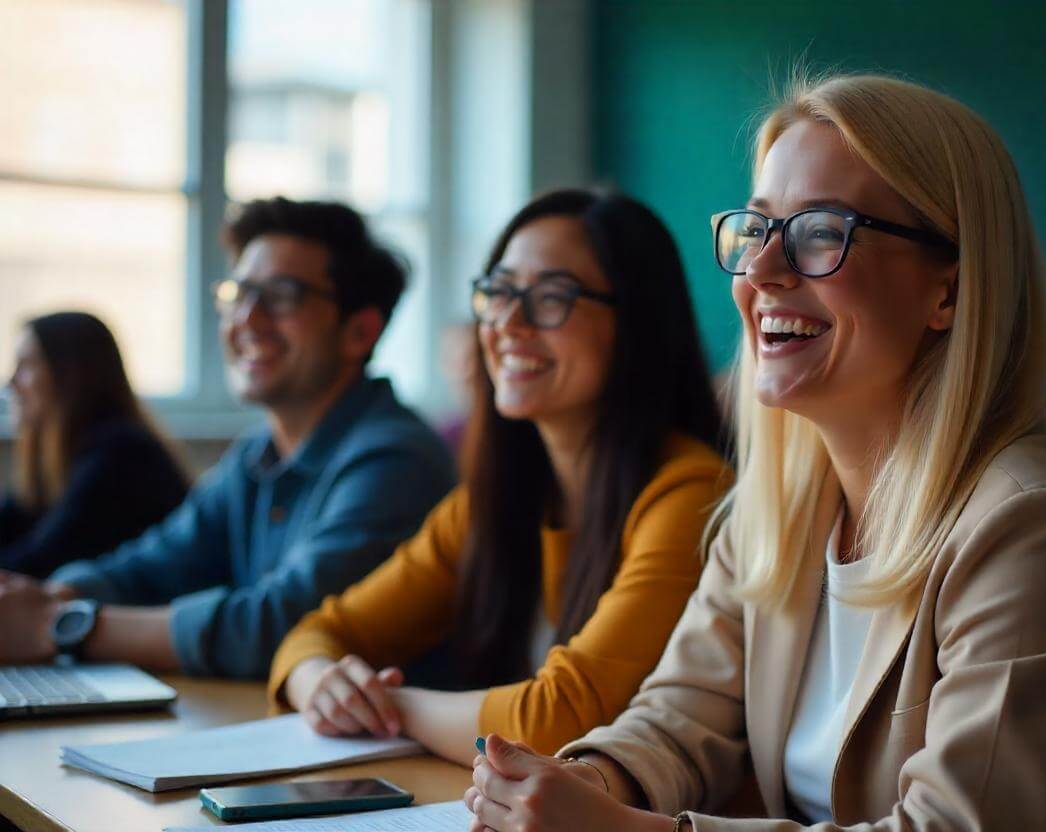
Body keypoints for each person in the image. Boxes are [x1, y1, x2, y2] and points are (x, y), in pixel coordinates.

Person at [463, 75, 1046, 830]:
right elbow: (681, 716)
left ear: (949, 291)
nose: (762, 271)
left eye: (819, 231)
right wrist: (584, 780)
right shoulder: (780, 502)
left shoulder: (1034, 525)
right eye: (758, 229)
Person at [269, 189, 728, 765]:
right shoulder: (498, 498)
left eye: (553, 296)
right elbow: (316, 633)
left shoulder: (690, 494)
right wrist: (318, 683)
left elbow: (560, 720)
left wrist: (384, 707)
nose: (508, 322)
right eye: (500, 291)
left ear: (636, 323)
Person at [0, 197, 455, 678]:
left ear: (359, 332)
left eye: (282, 296)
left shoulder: (397, 459)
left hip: (389, 749)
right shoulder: (256, 454)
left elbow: (282, 626)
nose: (246, 319)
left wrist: (63, 626)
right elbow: (155, 566)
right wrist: (50, 597)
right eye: (238, 294)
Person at [0, 312, 189, 578]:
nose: (11, 382)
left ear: (71, 374)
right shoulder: (66, 456)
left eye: (27, 365)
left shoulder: (120, 456)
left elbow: (37, 565)